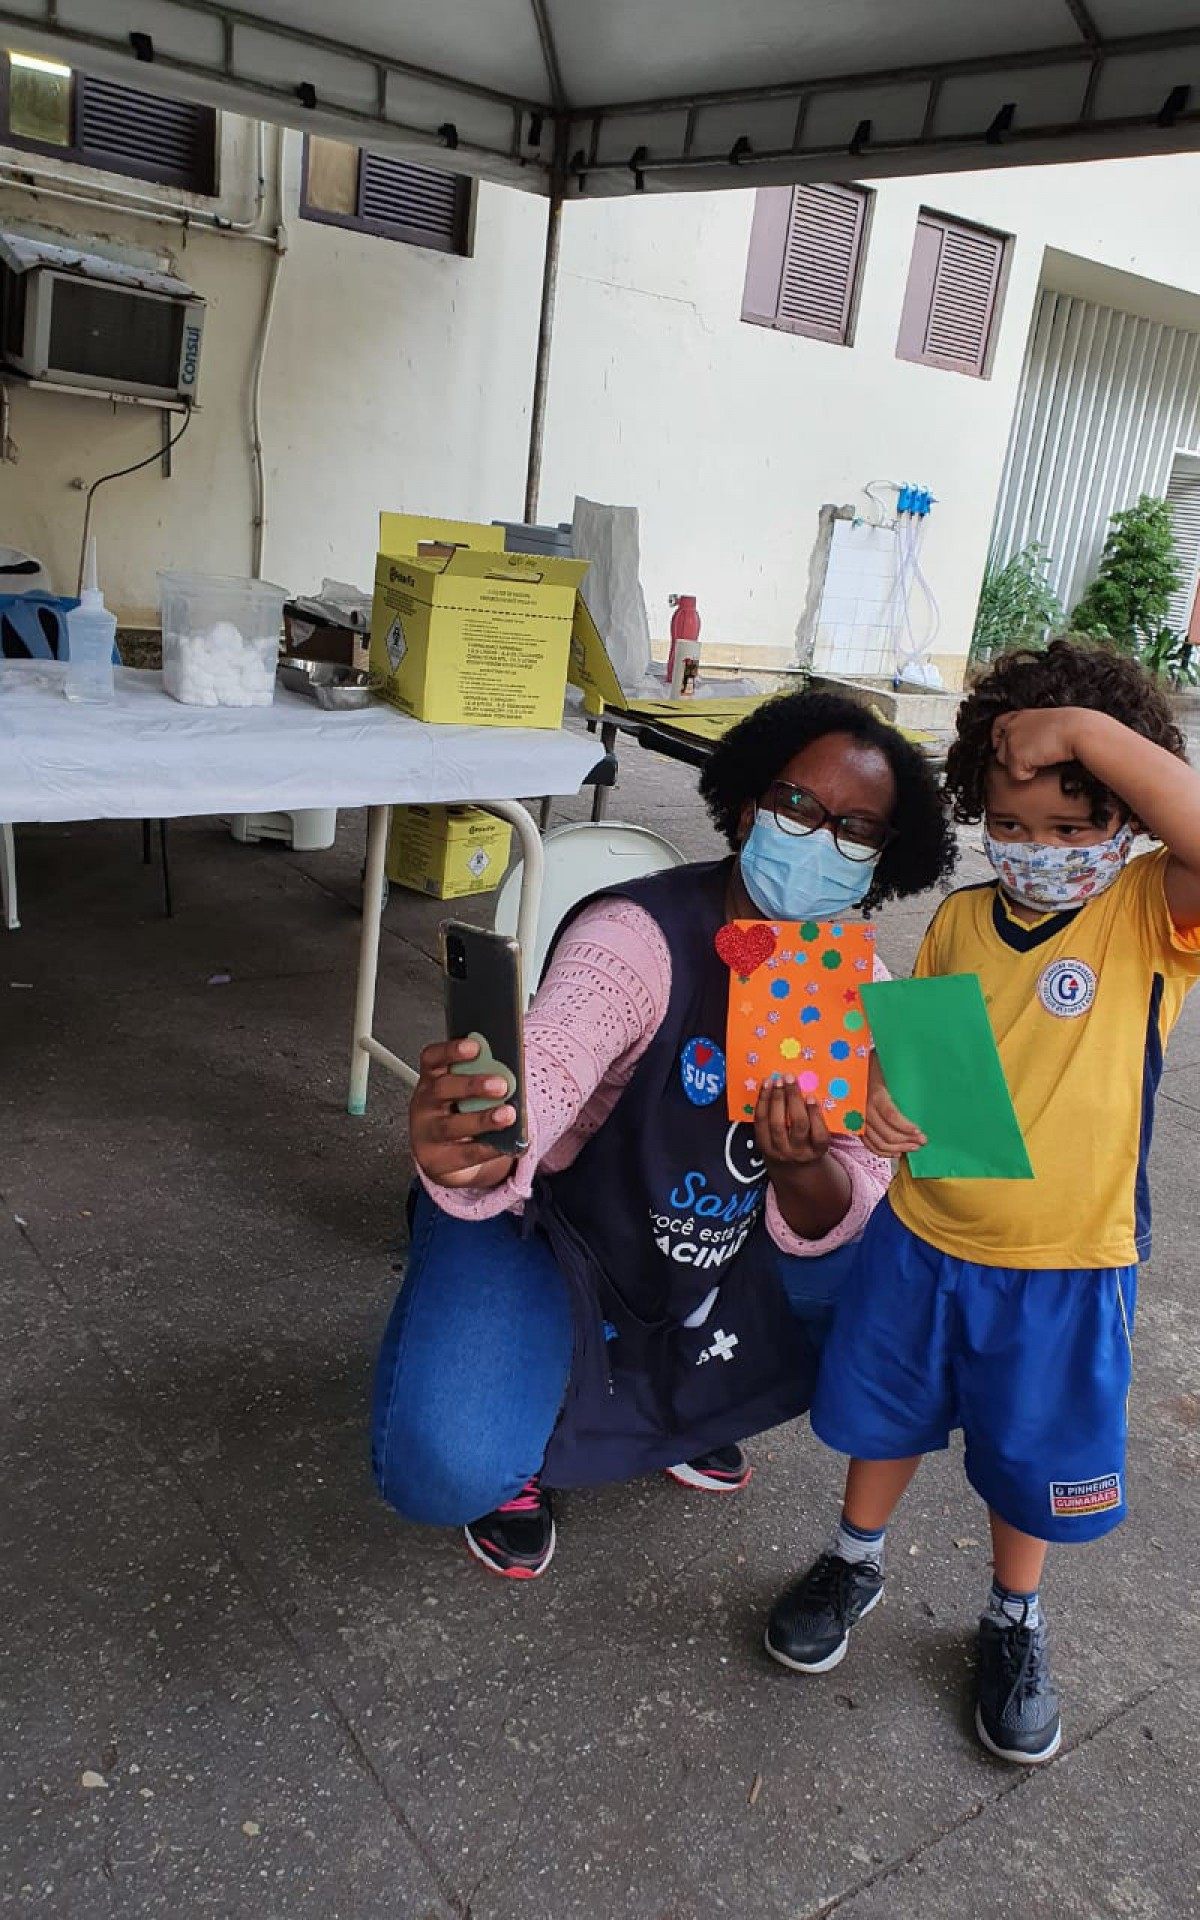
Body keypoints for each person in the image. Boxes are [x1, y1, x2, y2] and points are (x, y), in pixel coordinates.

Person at [371, 692, 956, 1578]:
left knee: (902, 1303)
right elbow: (559, 1050)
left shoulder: (864, 990)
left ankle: (679, 1408)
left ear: (883, 859)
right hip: (548, 1235)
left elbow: (856, 1194)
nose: (818, 838)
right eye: (799, 805)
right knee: (446, 1469)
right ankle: (533, 1406)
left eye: (858, 828)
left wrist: (801, 1170)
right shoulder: (637, 935)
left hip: (703, 1258)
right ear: (752, 805)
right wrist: (485, 1137)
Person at [765, 640, 1200, 1765]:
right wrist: (877, 1102)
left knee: (1029, 1457)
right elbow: (906, 1055)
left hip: (1065, 1265)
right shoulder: (959, 920)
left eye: (1069, 829)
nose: (1037, 854)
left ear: (1126, 818)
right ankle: (855, 1558)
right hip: (920, 1240)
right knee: (886, 1415)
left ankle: (1014, 1617)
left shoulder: (1152, 912)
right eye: (1009, 826)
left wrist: (1086, 736)